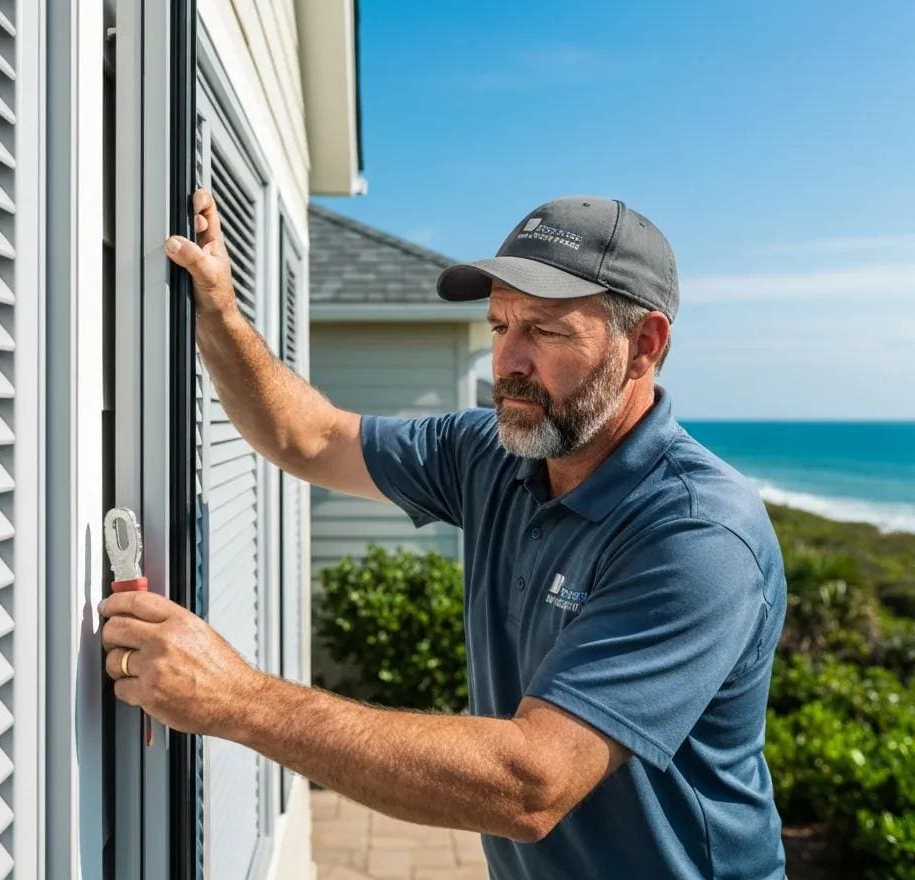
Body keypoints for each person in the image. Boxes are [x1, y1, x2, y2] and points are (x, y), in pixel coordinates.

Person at [100, 194, 788, 879]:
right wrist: (218, 311)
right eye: (498, 326)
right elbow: (306, 436)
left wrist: (238, 699)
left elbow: (529, 783)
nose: (509, 361)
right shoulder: (493, 452)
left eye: (546, 332)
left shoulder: (699, 534)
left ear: (644, 345)